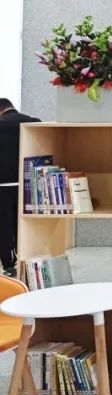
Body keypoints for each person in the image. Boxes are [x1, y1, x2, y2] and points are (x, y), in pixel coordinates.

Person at [0, 99, 40, 276]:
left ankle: (9, 265)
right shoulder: (33, 122)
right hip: (29, 184)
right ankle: (28, 259)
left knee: (4, 226)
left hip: (3, 185)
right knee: (24, 223)